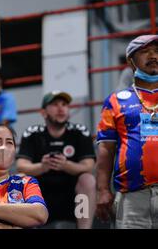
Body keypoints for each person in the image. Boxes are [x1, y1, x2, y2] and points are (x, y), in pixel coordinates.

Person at [96, 35, 158, 229]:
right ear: (131, 62)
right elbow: (106, 149)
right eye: (145, 51)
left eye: (156, 51)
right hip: (132, 196)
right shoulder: (115, 101)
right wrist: (103, 190)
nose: (153, 55)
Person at [16, 91, 97, 229]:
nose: (61, 108)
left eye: (64, 104)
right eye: (54, 104)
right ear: (43, 112)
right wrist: (43, 166)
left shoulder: (80, 131)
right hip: (40, 198)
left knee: (88, 179)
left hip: (74, 199)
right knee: (20, 178)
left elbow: (89, 165)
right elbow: (21, 165)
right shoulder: (32, 133)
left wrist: (66, 165)